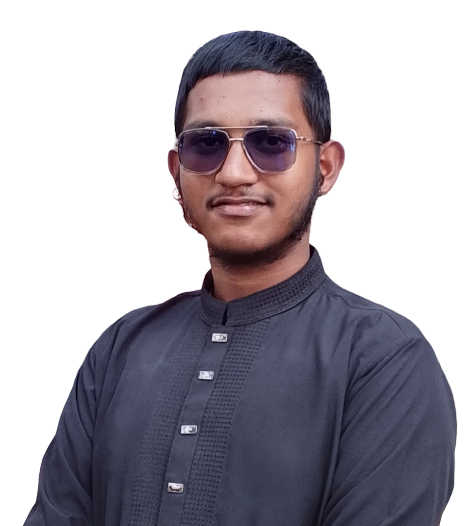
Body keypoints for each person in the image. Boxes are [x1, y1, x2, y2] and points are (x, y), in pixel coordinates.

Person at [24, 30, 457, 526]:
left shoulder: (384, 359)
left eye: (270, 143)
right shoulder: (120, 348)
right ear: (176, 171)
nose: (233, 173)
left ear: (326, 167)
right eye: (205, 144)